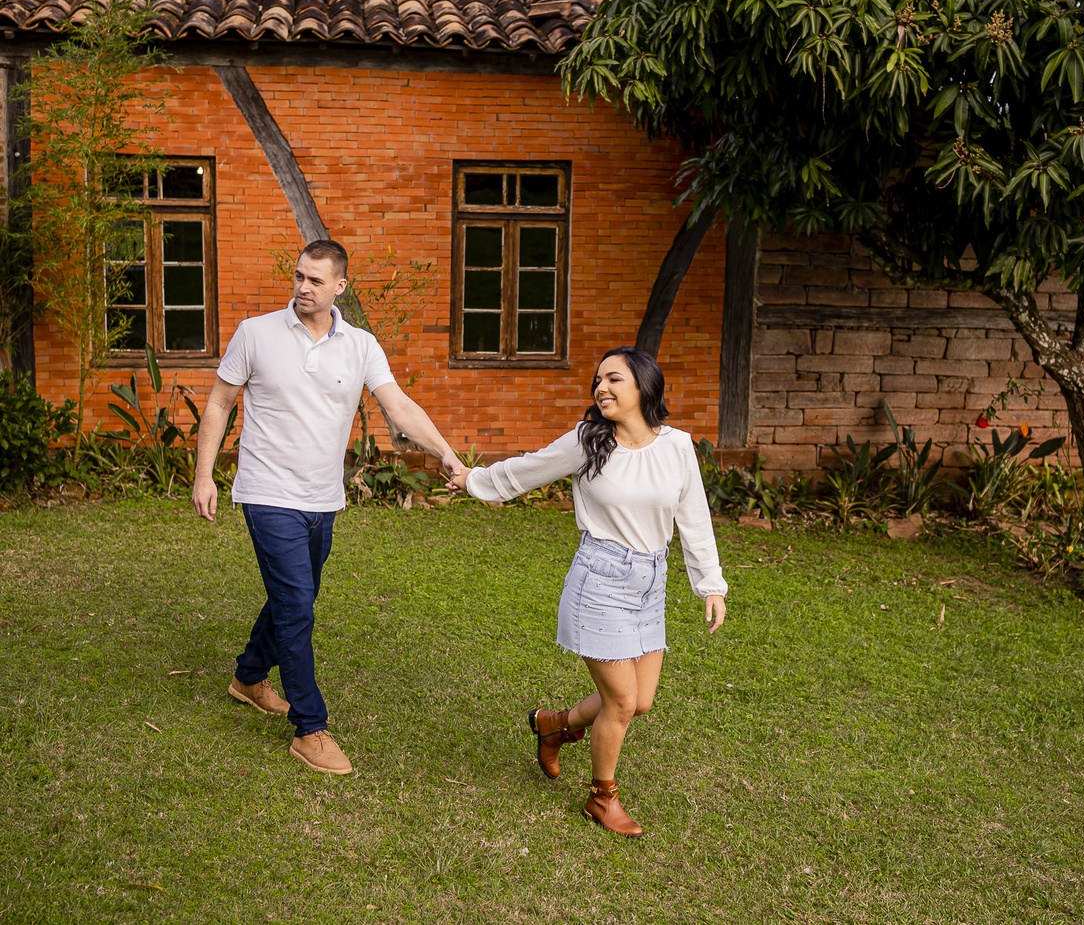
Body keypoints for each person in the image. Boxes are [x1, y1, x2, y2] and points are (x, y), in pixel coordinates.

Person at [191, 239, 464, 775]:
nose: (303, 287)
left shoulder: (361, 345)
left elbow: (398, 405)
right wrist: (204, 475)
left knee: (295, 596)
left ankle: (248, 677)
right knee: (297, 606)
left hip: (322, 498)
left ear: (340, 286)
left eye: (316, 280)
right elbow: (220, 402)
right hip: (267, 493)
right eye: (299, 276)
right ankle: (310, 728)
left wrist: (446, 452)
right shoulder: (256, 333)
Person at [448, 346, 727, 837]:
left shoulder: (677, 446)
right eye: (598, 380)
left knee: (641, 701)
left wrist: (710, 584)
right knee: (621, 702)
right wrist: (474, 479)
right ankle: (602, 797)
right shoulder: (588, 440)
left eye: (614, 379)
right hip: (600, 580)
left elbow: (694, 516)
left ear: (644, 385)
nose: (601, 388)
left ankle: (555, 725)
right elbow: (528, 469)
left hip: (651, 582)